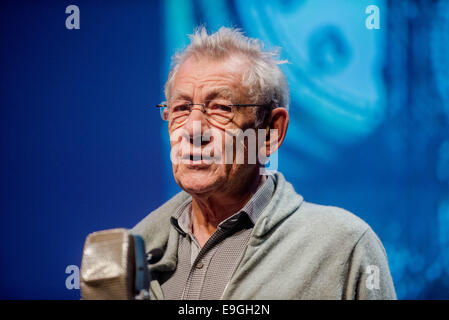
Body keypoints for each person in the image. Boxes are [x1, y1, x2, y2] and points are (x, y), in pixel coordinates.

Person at [132, 27, 396, 300]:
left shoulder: (343, 246)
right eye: (181, 109)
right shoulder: (130, 254)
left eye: (222, 108)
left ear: (270, 132)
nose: (193, 129)